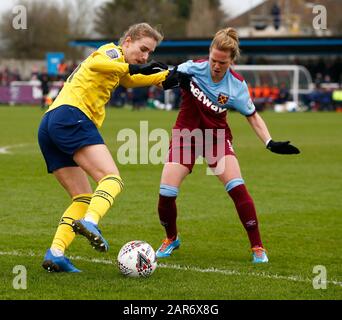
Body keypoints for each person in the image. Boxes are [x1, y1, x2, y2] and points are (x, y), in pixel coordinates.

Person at [158, 27, 300, 263]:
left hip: (216, 138)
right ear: (209, 54)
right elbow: (161, 80)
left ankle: (257, 247)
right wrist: (167, 79)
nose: (216, 66)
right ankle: (171, 238)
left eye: (222, 63)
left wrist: (269, 142)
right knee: (166, 192)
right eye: (214, 60)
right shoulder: (192, 68)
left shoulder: (236, 86)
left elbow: (252, 115)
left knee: (237, 187)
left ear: (231, 61)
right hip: (186, 135)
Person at [38, 23, 169, 273]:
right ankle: (91, 222)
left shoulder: (119, 65)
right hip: (72, 116)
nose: (144, 56)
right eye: (142, 49)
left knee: (83, 197)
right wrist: (136, 66)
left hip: (50, 122)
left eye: (149, 53)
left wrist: (164, 77)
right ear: (127, 41)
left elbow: (129, 80)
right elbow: (97, 64)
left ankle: (55, 253)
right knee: (112, 179)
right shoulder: (111, 52)